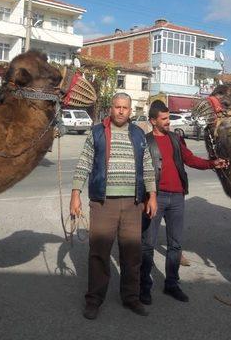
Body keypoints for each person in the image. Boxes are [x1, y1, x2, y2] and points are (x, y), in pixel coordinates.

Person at [70, 93, 157, 320]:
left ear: (130, 111)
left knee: (132, 254)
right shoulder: (97, 132)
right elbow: (84, 162)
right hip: (103, 203)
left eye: (125, 108)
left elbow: (148, 166)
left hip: (132, 204)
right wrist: (75, 194)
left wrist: (152, 195)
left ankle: (131, 298)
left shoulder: (138, 134)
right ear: (111, 108)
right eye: (117, 107)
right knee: (99, 253)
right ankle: (94, 300)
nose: (120, 111)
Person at [140, 100, 228, 304]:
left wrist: (212, 163)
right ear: (153, 121)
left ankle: (172, 284)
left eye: (168, 118)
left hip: (177, 198)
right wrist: (145, 197)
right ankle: (143, 286)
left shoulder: (175, 139)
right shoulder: (144, 141)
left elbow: (190, 159)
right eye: (163, 119)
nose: (168, 122)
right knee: (147, 244)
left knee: (175, 244)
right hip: (155, 197)